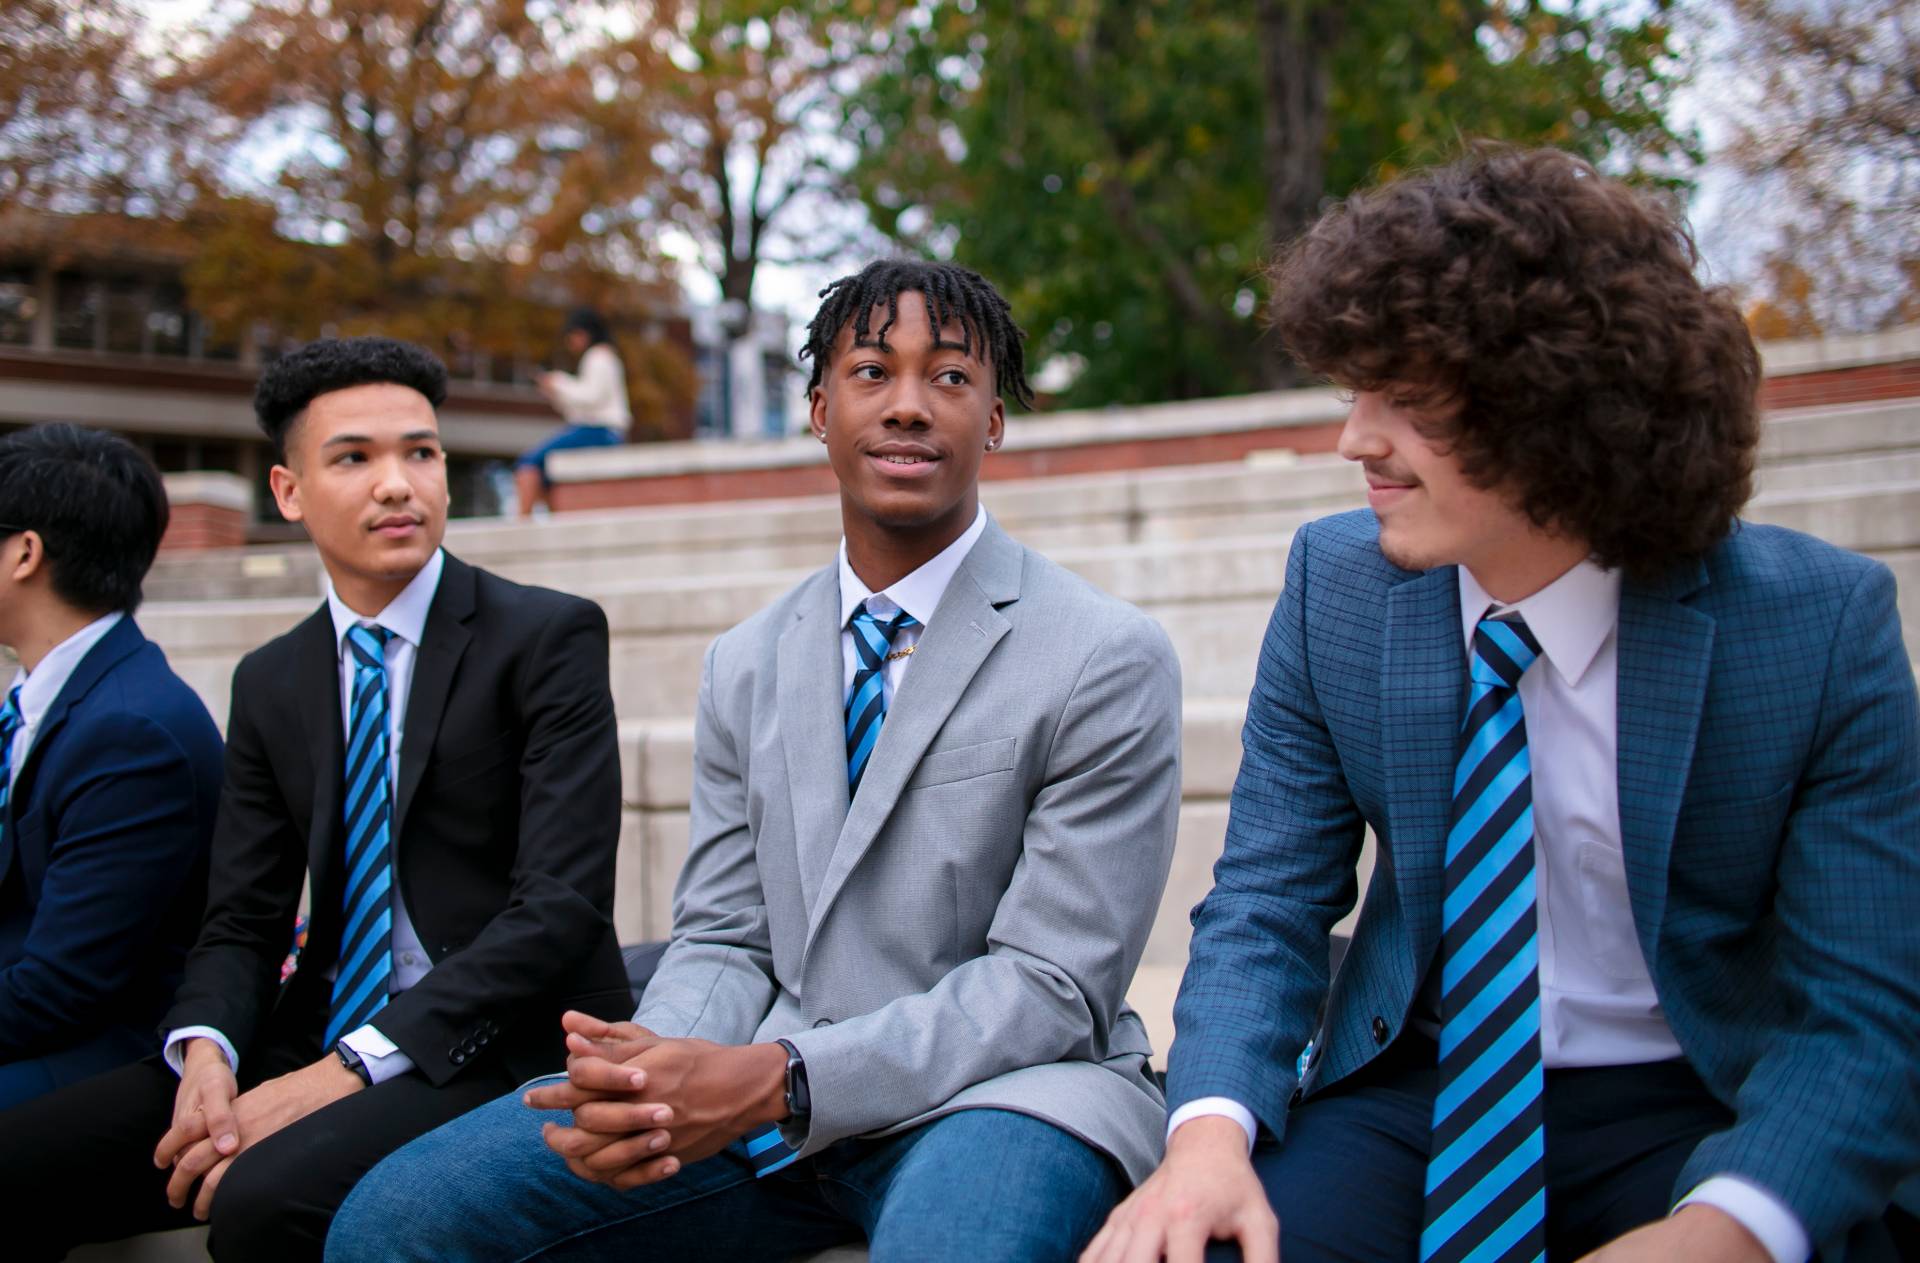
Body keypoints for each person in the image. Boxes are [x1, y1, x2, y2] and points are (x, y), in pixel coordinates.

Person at [1085, 145, 1920, 1263]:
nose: (1354, 439)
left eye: (1409, 401)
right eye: (1354, 390)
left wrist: (1725, 1232)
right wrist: (1205, 1142)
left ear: (1563, 412)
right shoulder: (1337, 584)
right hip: (1417, 1085)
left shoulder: (1819, 626)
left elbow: (1863, 1015)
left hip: (1705, 1098)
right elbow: (1266, 906)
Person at [327, 260, 1184, 1263]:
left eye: (951, 378)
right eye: (873, 372)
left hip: (1005, 1097)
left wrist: (782, 1074)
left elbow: (1048, 988)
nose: (909, 406)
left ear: (994, 419)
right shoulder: (745, 662)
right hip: (758, 1093)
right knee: (394, 1225)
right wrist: (661, 1063)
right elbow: (726, 937)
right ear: (819, 410)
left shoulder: (1103, 653)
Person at [0, 336, 634, 1260]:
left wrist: (342, 1070)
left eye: (420, 452)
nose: (397, 484)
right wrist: (209, 1053)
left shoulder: (545, 637)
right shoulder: (274, 678)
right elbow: (242, 920)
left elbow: (560, 910)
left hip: (492, 1043)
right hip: (313, 1031)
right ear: (289, 491)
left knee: (263, 1198)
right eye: (354, 457)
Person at [0, 424, 224, 1111]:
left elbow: (63, 988)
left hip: (104, 1054)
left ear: (25, 553)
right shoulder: (53, 696)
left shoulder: (130, 732)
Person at [517, 307, 631, 517]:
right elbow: (579, 407)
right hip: (598, 429)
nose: (571, 342)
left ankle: (522, 519)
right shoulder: (603, 358)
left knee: (528, 463)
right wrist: (554, 392)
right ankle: (549, 516)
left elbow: (590, 397)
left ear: (584, 333)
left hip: (598, 430)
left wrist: (558, 382)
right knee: (546, 476)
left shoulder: (599, 357)